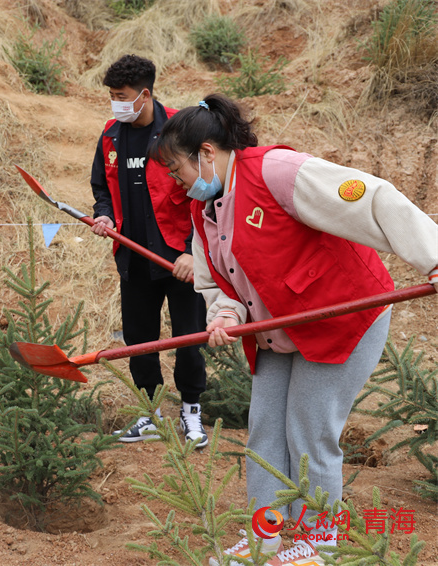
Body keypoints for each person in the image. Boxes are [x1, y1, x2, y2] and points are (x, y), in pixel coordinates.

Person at [152, 93, 438, 566]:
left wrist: (433, 256)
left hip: (342, 318)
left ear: (206, 153)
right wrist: (226, 316)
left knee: (310, 435)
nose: (175, 181)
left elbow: (372, 199)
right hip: (278, 332)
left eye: (176, 167)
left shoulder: (278, 173)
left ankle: (316, 544)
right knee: (264, 434)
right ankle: (265, 540)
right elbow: (219, 285)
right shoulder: (204, 213)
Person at [89, 54, 209, 447]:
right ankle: (151, 414)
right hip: (133, 257)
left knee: (189, 337)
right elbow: (101, 188)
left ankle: (191, 414)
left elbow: (205, 193)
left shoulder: (179, 130)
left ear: (145, 94)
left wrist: (194, 252)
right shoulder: (110, 136)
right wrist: (104, 216)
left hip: (180, 259)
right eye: (111, 96)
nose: (116, 103)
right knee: (140, 339)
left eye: (121, 96)